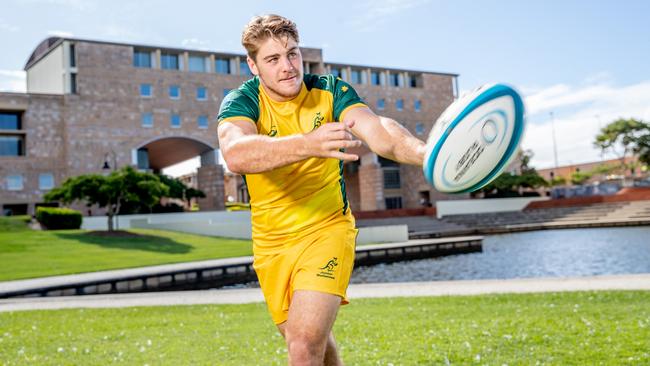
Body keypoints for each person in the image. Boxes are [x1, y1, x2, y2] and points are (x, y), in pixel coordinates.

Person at [217, 14, 426, 365]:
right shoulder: (241, 101)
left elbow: (379, 130)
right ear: (253, 65)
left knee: (302, 346)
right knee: (317, 346)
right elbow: (236, 154)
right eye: (273, 59)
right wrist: (306, 144)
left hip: (326, 229)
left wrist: (426, 153)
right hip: (272, 244)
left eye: (293, 54)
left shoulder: (330, 90)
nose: (288, 67)